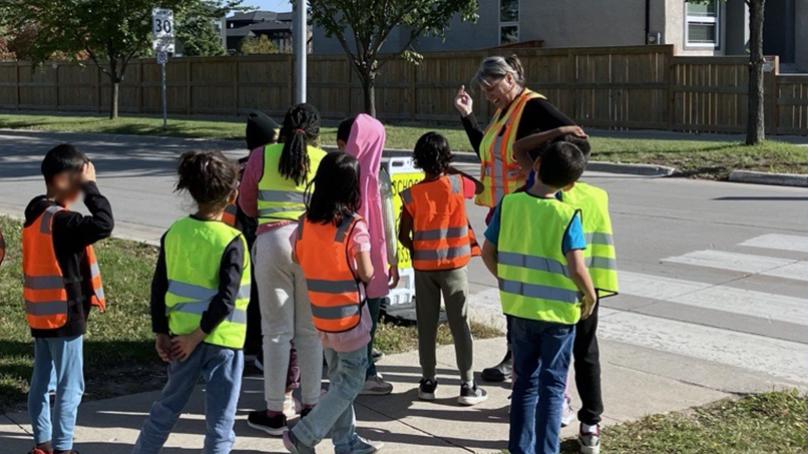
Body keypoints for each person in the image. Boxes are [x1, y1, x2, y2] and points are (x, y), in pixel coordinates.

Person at [454, 54, 578, 383]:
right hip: (506, 208)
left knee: (521, 283)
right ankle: (516, 355)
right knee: (510, 282)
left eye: (491, 88)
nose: (488, 95)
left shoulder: (533, 106)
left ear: (510, 78)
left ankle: (522, 359)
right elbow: (488, 149)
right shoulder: (505, 111)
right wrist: (467, 117)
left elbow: (575, 141)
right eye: (483, 91)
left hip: (527, 206)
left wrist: (538, 169)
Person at [481, 140, 597, 454]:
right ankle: (548, 450)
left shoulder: (509, 204)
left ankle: (520, 448)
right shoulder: (568, 214)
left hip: (519, 311)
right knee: (553, 387)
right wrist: (590, 296)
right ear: (572, 184)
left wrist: (505, 277)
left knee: (524, 384)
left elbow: (487, 252)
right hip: (558, 317)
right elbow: (577, 266)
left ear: (537, 165)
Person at [132, 151, 249, 454]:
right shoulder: (233, 240)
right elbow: (226, 300)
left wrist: (161, 331)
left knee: (166, 408)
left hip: (181, 340)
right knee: (220, 422)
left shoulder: (174, 233)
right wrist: (199, 335)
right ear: (233, 195)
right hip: (222, 341)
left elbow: (159, 287)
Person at [521, 135, 619, 454]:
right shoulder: (598, 196)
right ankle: (591, 424)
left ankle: (545, 421)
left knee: (547, 363)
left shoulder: (552, 197)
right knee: (587, 353)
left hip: (553, 291)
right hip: (590, 288)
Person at [285, 151, 383, 454]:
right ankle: (305, 434)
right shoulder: (353, 226)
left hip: (323, 319)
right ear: (350, 188)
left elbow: (296, 257)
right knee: (349, 383)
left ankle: (346, 441)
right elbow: (366, 271)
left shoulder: (305, 224)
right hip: (350, 320)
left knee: (339, 380)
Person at [240, 103, 327, 435]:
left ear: (284, 129)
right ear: (317, 135)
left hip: (271, 241)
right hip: (311, 246)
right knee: (309, 331)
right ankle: (311, 406)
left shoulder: (261, 156)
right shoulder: (323, 160)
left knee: (275, 332)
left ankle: (275, 411)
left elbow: (246, 204)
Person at [23, 144, 114, 454]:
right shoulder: (62, 222)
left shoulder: (35, 212)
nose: (80, 192)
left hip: (41, 316)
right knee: (70, 387)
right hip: (65, 317)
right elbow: (104, 224)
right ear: (63, 180)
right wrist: (92, 188)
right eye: (78, 184)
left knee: (42, 382)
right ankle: (63, 448)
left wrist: (84, 183)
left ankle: (43, 443)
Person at [398, 132, 487, 406]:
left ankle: (428, 381)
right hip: (455, 266)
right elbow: (481, 188)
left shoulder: (411, 195)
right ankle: (467, 384)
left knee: (427, 325)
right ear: (447, 158)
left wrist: (417, 250)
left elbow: (403, 235)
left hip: (424, 267)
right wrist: (450, 167)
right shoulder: (458, 184)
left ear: (418, 160)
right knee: (460, 323)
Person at [237, 111, 302, 417]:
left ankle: (275, 402)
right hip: (279, 244)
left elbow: (245, 205)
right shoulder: (283, 160)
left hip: (255, 244)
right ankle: (293, 396)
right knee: (293, 327)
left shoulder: (249, 164)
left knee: (268, 319)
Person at [336, 115, 399, 396]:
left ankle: (341, 366)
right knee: (369, 316)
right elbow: (388, 222)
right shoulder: (377, 176)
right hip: (370, 259)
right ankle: (367, 372)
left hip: (339, 258)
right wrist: (394, 259)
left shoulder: (340, 174)